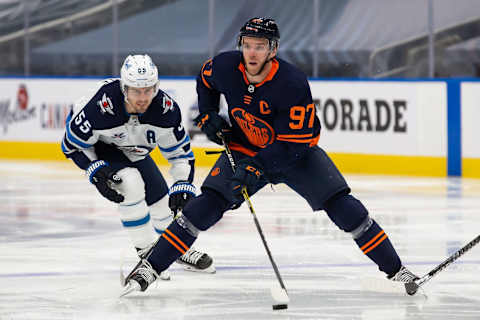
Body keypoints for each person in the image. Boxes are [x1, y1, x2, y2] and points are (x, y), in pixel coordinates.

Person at [122, 18, 418, 293]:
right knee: (205, 206)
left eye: (260, 47)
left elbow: (296, 142)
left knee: (343, 207)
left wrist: (258, 166)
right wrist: (208, 112)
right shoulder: (227, 66)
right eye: (248, 45)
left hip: (295, 154)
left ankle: (397, 270)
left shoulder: (292, 82)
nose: (251, 53)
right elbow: (206, 78)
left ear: (272, 49)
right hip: (246, 147)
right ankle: (150, 268)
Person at [61, 54, 215, 277]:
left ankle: (173, 249)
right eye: (135, 90)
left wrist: (182, 183)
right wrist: (93, 168)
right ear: (124, 88)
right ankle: (146, 251)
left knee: (164, 202)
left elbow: (181, 155)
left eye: (148, 89)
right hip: (104, 149)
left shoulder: (166, 110)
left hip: (134, 151)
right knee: (130, 183)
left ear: (157, 86)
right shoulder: (99, 106)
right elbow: (70, 145)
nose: (143, 98)